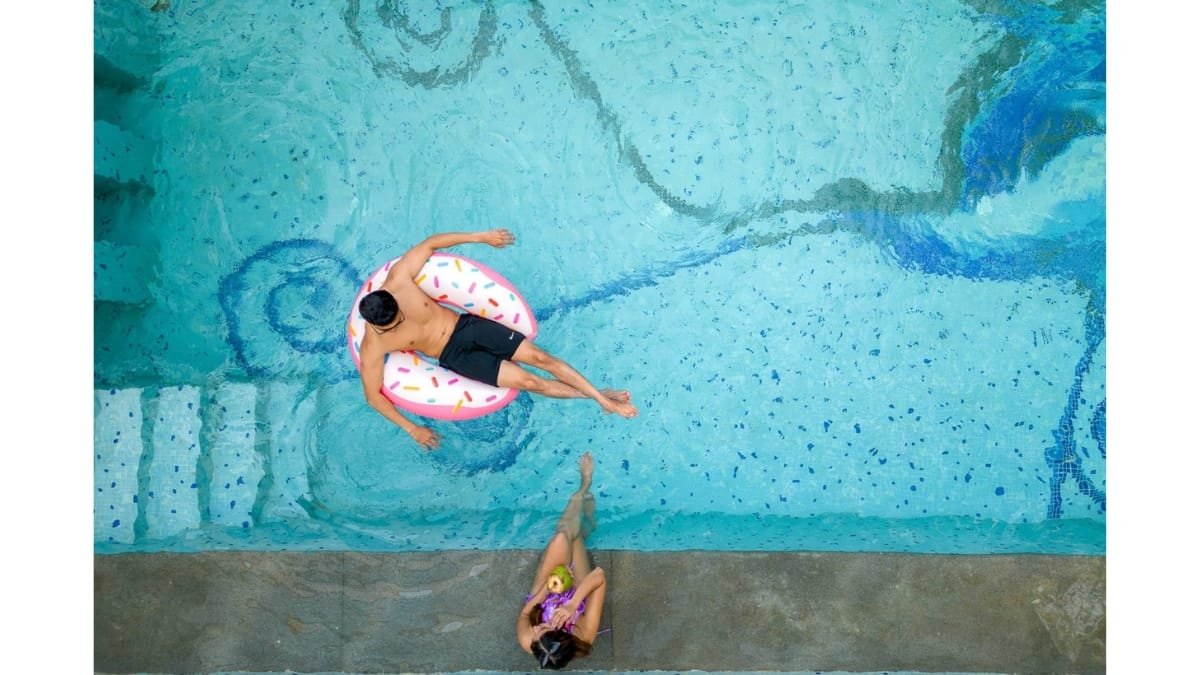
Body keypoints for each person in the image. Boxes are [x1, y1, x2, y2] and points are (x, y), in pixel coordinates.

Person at [357, 229, 638, 449]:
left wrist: (480, 237)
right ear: (376, 325)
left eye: (399, 315)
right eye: (395, 325)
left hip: (469, 327)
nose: (402, 321)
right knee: (531, 383)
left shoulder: (398, 282)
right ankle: (598, 397)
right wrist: (412, 429)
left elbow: (429, 243)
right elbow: (372, 397)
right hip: (455, 357)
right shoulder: (375, 344)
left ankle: (603, 399)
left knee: (542, 358)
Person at [516, 451, 607, 669]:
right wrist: (572, 604)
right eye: (542, 629)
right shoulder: (584, 635)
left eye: (535, 635)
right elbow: (600, 576)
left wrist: (547, 590)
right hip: (576, 595)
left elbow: (526, 613)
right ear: (561, 633)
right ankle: (585, 488)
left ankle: (583, 492)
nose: (535, 629)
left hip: (543, 596)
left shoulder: (528, 641)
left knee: (562, 536)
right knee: (574, 537)